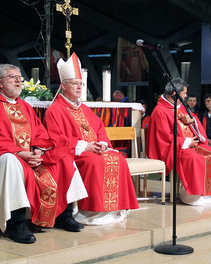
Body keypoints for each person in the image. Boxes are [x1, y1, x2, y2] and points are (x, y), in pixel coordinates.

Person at [0, 64, 87, 244]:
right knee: (10, 160)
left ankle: (63, 214)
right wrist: (19, 153)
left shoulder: (25, 106)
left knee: (63, 155)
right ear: (0, 82)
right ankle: (16, 223)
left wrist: (39, 149)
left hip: (28, 157)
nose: (18, 80)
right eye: (12, 77)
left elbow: (39, 133)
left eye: (19, 77)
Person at [43, 53, 139, 225]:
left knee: (118, 159)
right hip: (73, 154)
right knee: (95, 163)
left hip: (93, 150)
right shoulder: (55, 110)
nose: (79, 87)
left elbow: (99, 128)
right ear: (64, 86)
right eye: (75, 84)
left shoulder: (85, 109)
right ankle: (91, 211)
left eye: (81, 84)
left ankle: (114, 208)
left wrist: (102, 144)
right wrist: (84, 146)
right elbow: (55, 139)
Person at [146, 78, 211, 205]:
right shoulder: (160, 111)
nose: (186, 96)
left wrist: (191, 121)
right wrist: (186, 142)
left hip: (189, 144)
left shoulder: (181, 107)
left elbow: (194, 120)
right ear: (175, 93)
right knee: (194, 159)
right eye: (184, 93)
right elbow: (163, 137)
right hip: (175, 148)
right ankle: (191, 197)